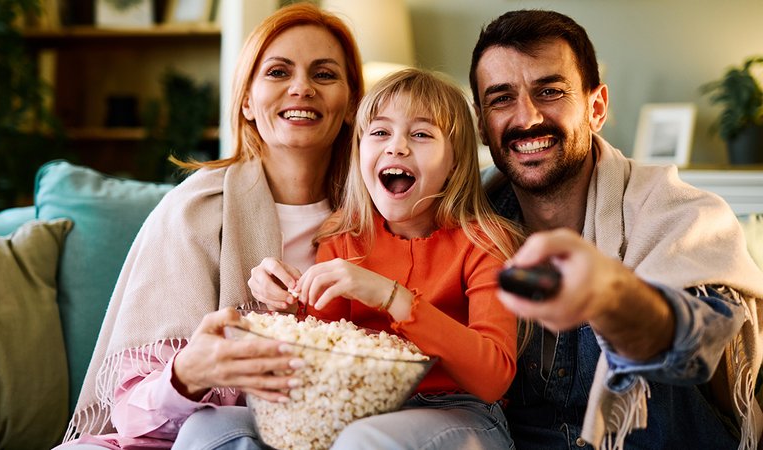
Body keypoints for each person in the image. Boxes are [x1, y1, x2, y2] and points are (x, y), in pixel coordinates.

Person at [58, 3, 364, 449]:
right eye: (278, 72)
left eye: (324, 74)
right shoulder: (193, 211)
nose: (301, 88)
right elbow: (133, 419)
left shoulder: (382, 217)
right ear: (246, 100)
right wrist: (189, 374)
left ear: (352, 101)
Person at [469, 9, 763, 450]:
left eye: (549, 91)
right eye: (501, 99)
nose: (527, 118)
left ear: (597, 107)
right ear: (481, 123)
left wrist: (612, 296)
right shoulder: (464, 226)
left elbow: (704, 344)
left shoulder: (680, 215)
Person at [247, 67, 522, 449]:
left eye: (421, 134)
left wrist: (391, 297)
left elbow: (493, 377)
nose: (397, 147)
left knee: (365, 440)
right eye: (379, 132)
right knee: (213, 426)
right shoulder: (343, 238)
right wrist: (287, 305)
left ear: (456, 162)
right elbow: (324, 352)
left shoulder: (485, 242)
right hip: (361, 410)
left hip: (462, 413)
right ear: (360, 152)